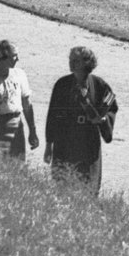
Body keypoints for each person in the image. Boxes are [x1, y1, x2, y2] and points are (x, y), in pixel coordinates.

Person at [44, 44, 117, 193]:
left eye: (76, 60)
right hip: (65, 139)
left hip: (88, 140)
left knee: (88, 183)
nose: (71, 63)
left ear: (87, 63)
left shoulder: (99, 85)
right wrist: (48, 144)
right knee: (63, 181)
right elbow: (52, 115)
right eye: (70, 59)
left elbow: (111, 107)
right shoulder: (62, 84)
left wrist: (103, 121)